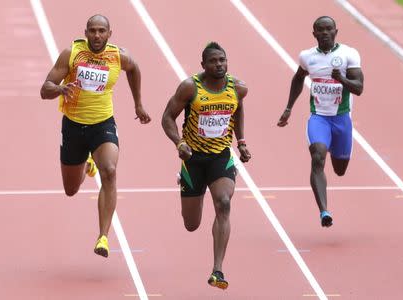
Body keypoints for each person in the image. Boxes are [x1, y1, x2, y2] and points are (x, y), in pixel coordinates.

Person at [40, 14, 151, 257]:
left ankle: (103, 237)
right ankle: (86, 167)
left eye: (102, 31)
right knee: (70, 190)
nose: (97, 35)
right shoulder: (72, 53)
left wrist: (138, 104)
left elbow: (134, 69)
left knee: (110, 170)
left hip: (103, 125)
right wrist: (59, 88)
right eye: (93, 30)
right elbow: (44, 89)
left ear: (110, 33)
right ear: (86, 32)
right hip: (73, 127)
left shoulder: (118, 56)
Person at [161, 42, 251, 289]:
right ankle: (189, 186)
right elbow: (167, 117)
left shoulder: (237, 88)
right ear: (203, 65)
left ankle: (217, 270)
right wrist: (179, 142)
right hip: (193, 159)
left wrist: (241, 142)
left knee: (223, 203)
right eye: (213, 61)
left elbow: (238, 108)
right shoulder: (190, 87)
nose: (219, 65)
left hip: (221, 156)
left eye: (222, 60)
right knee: (192, 224)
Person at [277, 16, 364, 227]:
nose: (325, 33)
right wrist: (288, 108)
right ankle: (324, 211)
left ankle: (337, 148)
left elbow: (359, 88)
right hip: (319, 118)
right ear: (314, 33)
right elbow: (298, 78)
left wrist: (341, 79)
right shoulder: (307, 57)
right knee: (317, 156)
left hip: (341, 119)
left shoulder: (348, 54)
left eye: (329, 29)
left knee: (340, 169)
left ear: (336, 31)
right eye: (320, 30)